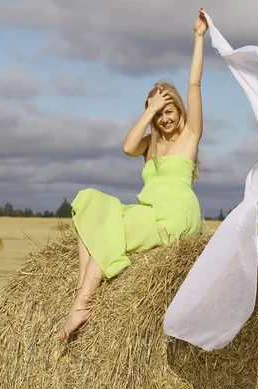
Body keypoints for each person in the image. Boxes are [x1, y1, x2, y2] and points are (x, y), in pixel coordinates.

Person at [58, 7, 209, 341]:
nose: (165, 119)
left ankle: (83, 300)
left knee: (116, 226)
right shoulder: (149, 146)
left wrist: (199, 38)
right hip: (147, 214)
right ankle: (84, 288)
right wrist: (150, 109)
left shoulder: (189, 137)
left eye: (169, 111)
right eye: (159, 115)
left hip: (173, 218)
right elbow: (127, 146)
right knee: (87, 202)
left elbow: (194, 82)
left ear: (179, 109)